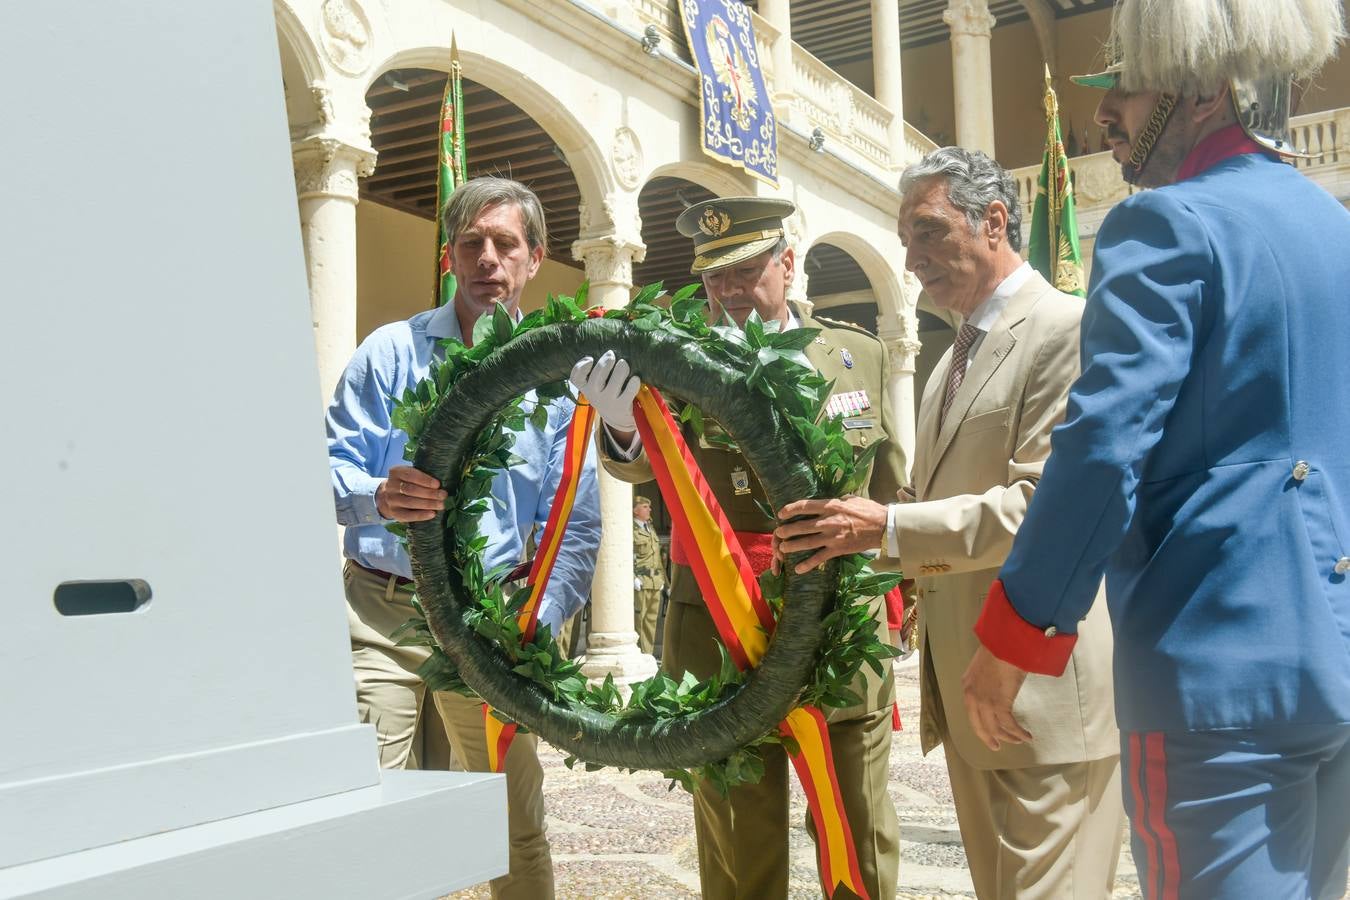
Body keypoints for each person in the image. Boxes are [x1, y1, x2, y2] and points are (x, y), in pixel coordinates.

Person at [959, 2, 1350, 898]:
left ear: (1205, 90)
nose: (1107, 116)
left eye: (1128, 90)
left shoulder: (1164, 224)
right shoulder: (1333, 227)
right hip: (1333, 660)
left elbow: (1102, 449)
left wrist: (1016, 636)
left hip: (1216, 678)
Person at [775, 147, 1123, 898]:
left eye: (928, 232)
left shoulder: (1064, 328)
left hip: (1043, 695)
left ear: (994, 222)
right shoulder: (950, 360)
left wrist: (890, 528)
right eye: (906, 238)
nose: (912, 257)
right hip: (972, 700)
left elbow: (1045, 508)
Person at [571, 197, 908, 899]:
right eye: (714, 277)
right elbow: (640, 464)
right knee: (736, 838)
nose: (727, 292)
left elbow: (891, 488)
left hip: (838, 623)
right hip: (719, 625)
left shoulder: (859, 355)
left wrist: (906, 605)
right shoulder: (680, 359)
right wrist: (621, 425)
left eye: (746, 271)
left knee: (859, 830)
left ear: (788, 266)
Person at [327, 176, 600, 900]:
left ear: (534, 259)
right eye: (472, 243)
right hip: (382, 615)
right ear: (449, 255)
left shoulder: (558, 384)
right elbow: (326, 470)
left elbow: (574, 523)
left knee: (510, 826)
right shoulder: (388, 354)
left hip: (489, 629)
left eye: (505, 244)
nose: (489, 259)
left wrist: (534, 621)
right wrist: (374, 495)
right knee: (373, 818)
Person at [632, 494, 665, 655]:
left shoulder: (650, 528)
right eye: (645, 507)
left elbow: (658, 558)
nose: (649, 509)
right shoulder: (631, 530)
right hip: (641, 581)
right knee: (639, 620)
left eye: (649, 506)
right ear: (635, 510)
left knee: (651, 621)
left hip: (655, 581)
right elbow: (626, 555)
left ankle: (648, 654)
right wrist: (632, 578)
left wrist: (664, 581)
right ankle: (638, 654)